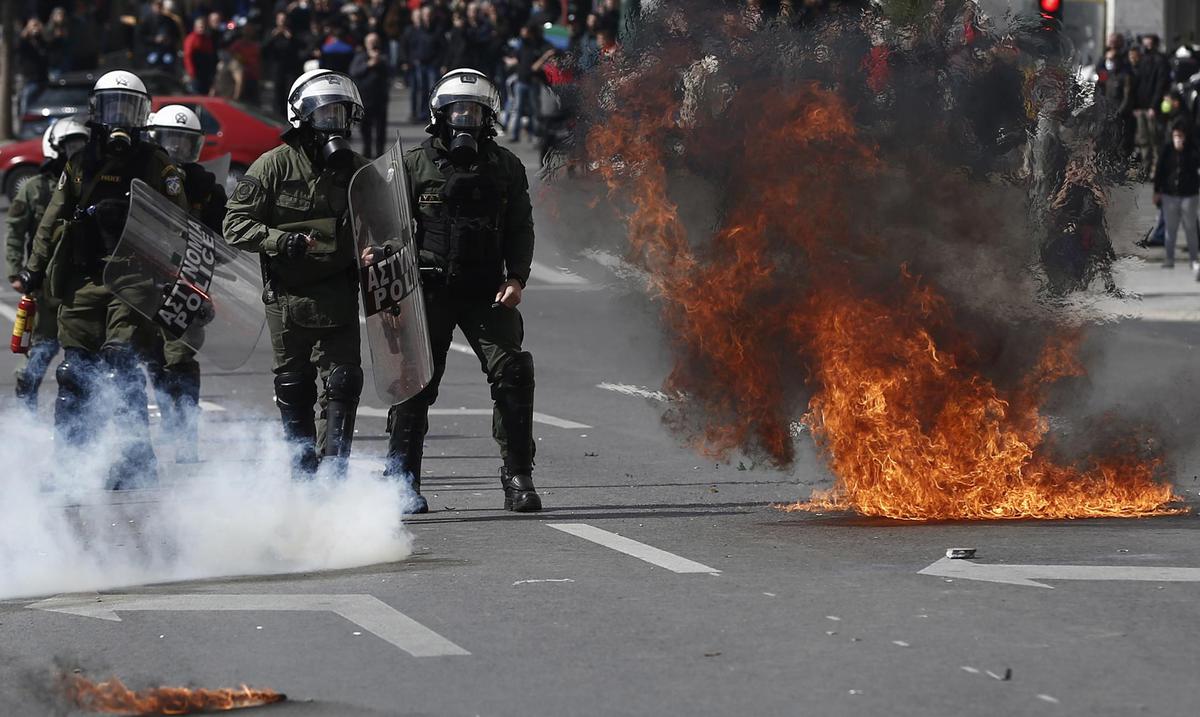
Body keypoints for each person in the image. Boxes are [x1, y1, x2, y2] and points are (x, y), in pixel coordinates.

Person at [14, 71, 188, 488]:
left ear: (143, 114)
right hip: (82, 279)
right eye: (112, 107)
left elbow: (180, 222)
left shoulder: (155, 164)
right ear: (97, 111)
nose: (119, 119)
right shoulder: (78, 165)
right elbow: (52, 219)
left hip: (132, 280)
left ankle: (135, 462)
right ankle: (72, 465)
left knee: (121, 363)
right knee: (74, 372)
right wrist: (34, 269)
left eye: (128, 109)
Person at [380, 68, 541, 513]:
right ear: (441, 114)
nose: (466, 119)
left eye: (475, 111)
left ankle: (518, 476)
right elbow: (386, 226)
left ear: (488, 116)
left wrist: (517, 278)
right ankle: (401, 481)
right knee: (414, 384)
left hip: (488, 289)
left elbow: (519, 227)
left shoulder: (506, 167)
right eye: (458, 111)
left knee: (513, 374)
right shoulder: (413, 164)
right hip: (426, 290)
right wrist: (386, 277)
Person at [223, 69, 369, 477]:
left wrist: (374, 251)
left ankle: (334, 472)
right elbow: (234, 225)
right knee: (294, 384)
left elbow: (383, 228)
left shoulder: (359, 170)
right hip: (288, 296)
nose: (332, 124)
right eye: (324, 115)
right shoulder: (272, 166)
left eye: (340, 115)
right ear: (301, 117)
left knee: (343, 382)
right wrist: (277, 241)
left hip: (339, 293)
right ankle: (301, 470)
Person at [144, 104, 226, 462]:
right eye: (169, 141)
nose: (176, 151)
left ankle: (185, 440)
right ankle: (139, 448)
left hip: (184, 286)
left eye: (184, 142)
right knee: (146, 361)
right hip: (141, 285)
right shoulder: (141, 174)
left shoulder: (205, 188)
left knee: (179, 361)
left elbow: (223, 242)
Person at [6, 117, 89, 413]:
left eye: (81, 145)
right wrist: (17, 271)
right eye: (70, 145)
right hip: (44, 285)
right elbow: (16, 230)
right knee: (41, 348)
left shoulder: (89, 185)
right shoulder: (35, 188)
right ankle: (26, 409)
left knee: (81, 352)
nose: (76, 152)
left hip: (80, 282)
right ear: (56, 146)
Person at [1153, 121, 1200, 275]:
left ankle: (1194, 259)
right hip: (1170, 195)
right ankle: (1169, 258)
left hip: (1188, 195)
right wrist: (1157, 191)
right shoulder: (1167, 150)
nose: (1177, 139)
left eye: (1180, 136)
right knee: (1170, 230)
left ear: (1185, 137)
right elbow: (1160, 171)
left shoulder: (1192, 151)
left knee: (1190, 228)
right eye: (1175, 136)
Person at [184, 17, 218, 95]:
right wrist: (191, 72)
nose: (202, 28)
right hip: (196, 72)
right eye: (200, 26)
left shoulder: (207, 39)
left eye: (204, 26)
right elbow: (188, 56)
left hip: (206, 72)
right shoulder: (191, 39)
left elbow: (211, 55)